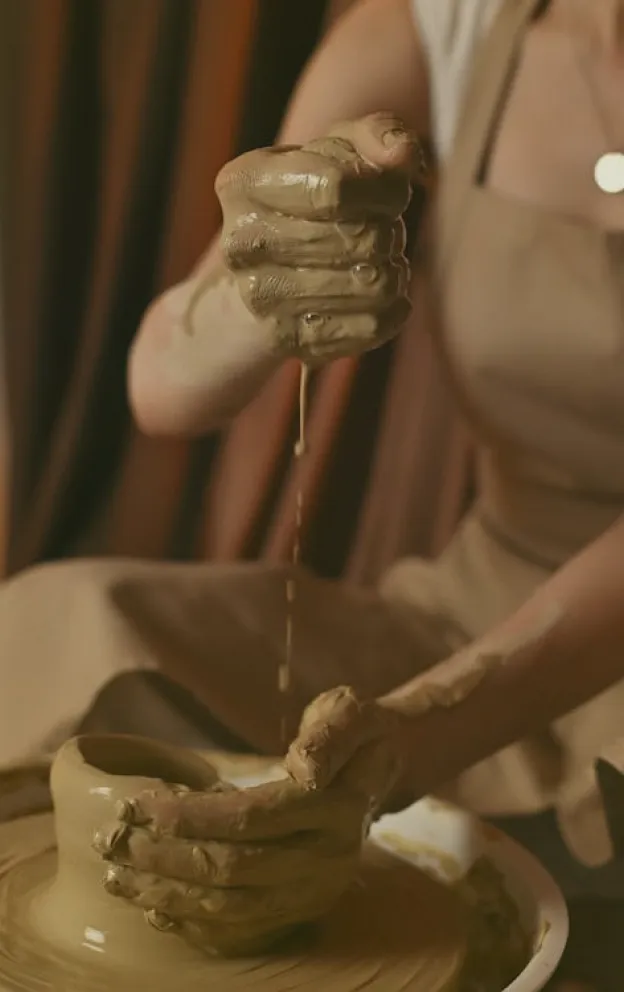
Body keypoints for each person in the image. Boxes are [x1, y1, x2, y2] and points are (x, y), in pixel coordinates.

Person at [1, 0, 624, 985]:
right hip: (475, 598)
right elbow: (161, 385)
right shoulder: (444, 29)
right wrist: (257, 291)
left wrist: (419, 734)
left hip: (577, 647)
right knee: (65, 618)